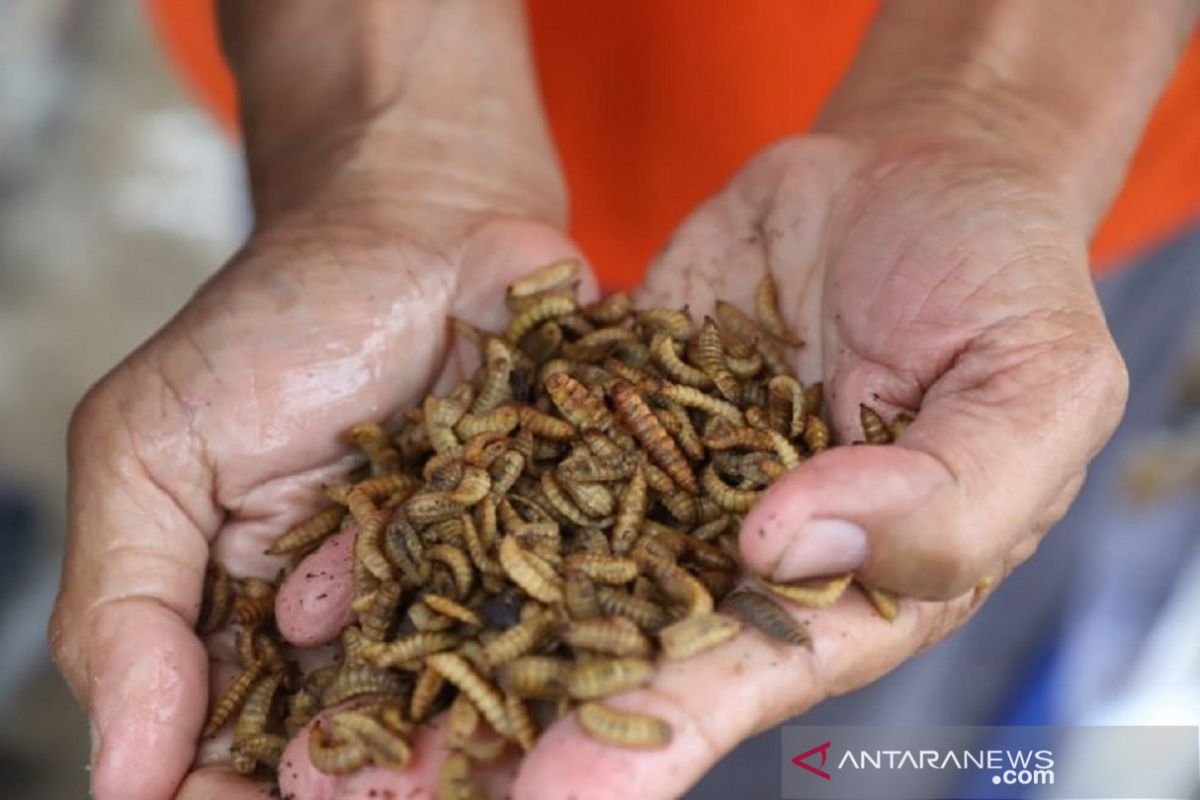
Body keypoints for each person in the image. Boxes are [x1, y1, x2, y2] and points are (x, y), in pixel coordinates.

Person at [48, 2, 1198, 799]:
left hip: (1017, 190)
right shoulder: (484, 454)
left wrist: (997, 114)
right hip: (385, 107)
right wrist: (387, 138)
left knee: (895, 682)